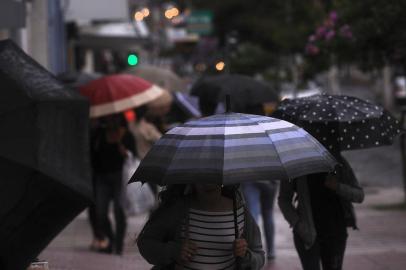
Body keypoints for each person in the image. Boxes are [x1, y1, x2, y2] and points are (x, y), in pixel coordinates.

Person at [137, 184, 265, 270]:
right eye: (202, 171)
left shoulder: (238, 212)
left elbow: (259, 256)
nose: (207, 177)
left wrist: (245, 255)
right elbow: (146, 242)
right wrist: (173, 250)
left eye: (213, 170)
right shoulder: (177, 209)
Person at [278, 153, 364, 270]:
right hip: (307, 234)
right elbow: (283, 199)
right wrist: (297, 224)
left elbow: (359, 195)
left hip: (336, 232)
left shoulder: (338, 162)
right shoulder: (295, 164)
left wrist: (337, 187)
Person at [91, 113, 136, 255]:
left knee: (119, 210)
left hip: (120, 178)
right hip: (101, 177)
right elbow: (92, 154)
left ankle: (118, 243)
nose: (111, 121)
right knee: (101, 212)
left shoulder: (127, 135)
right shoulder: (99, 134)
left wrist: (125, 152)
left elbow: (133, 156)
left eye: (115, 118)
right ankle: (111, 239)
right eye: (109, 118)